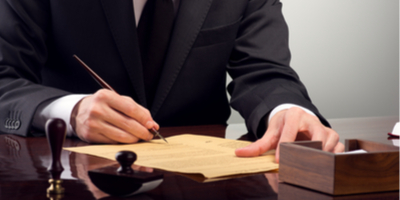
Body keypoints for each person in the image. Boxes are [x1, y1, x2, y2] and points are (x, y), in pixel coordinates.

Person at [0, 0, 343, 163]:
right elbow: (4, 79)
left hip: (202, 180)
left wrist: (286, 109)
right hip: (72, 176)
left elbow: (264, 72)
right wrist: (71, 112)